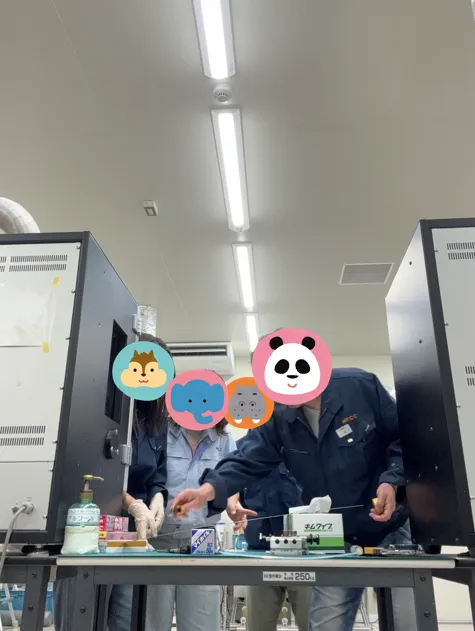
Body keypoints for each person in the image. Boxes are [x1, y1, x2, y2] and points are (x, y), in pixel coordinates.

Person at [171, 344, 415, 631]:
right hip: (338, 537)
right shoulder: (278, 416)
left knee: (406, 619)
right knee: (325, 625)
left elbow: (405, 438)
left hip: (391, 525)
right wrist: (207, 491)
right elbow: (247, 459)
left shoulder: (359, 386)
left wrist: (391, 480)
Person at [54, 333, 171, 631]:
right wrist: (132, 504)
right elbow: (92, 470)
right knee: (83, 618)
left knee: (128, 619)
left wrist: (157, 499)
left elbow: (158, 472)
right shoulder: (99, 410)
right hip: (90, 532)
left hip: (132, 538)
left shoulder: (155, 421)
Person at [145, 418, 249, 631]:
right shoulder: (161, 430)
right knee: (151, 620)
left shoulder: (223, 436)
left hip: (201, 538)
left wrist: (232, 504)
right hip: (159, 536)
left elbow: (231, 477)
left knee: (202, 621)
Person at [238, 432, 311, 631]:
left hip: (305, 555)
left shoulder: (305, 444)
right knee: (258, 626)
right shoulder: (245, 449)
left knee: (313, 624)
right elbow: (234, 487)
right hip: (260, 553)